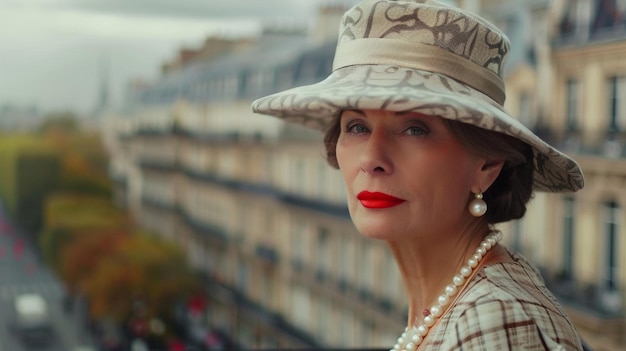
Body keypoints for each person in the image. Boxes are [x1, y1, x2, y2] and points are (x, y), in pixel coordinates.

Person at [252, 0, 586, 350]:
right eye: (356, 126)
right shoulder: (459, 304)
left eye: (414, 129)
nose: (371, 159)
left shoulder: (490, 322)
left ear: (487, 164)